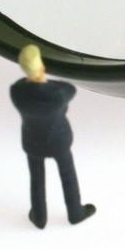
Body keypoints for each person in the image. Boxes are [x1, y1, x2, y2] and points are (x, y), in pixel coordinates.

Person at [9, 45, 96, 228]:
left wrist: (37, 78)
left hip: (32, 141)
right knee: (68, 176)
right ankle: (75, 212)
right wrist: (45, 79)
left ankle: (39, 217)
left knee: (36, 180)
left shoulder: (17, 91)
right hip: (59, 141)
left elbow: (28, 88)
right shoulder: (57, 94)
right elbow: (70, 88)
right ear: (42, 67)